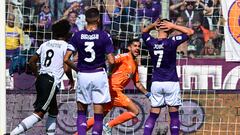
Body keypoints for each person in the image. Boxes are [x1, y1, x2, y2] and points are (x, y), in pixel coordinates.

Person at [10, 19, 74, 135]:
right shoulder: (66, 46)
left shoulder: (45, 44)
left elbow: (31, 62)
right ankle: (12, 134)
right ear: (66, 33)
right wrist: (71, 79)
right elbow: (66, 68)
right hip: (51, 81)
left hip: (42, 79)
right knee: (39, 113)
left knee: (53, 110)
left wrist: (38, 75)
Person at [74, 39, 151, 135]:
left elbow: (138, 83)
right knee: (135, 111)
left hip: (113, 91)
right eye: (135, 46)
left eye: (139, 46)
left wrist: (148, 94)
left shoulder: (134, 64)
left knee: (99, 117)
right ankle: (109, 125)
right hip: (114, 89)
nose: (137, 48)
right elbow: (111, 61)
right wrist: (107, 72)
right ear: (129, 48)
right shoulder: (124, 56)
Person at [63, 7, 115, 135]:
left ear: (85, 19)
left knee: (82, 111)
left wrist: (78, 69)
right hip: (98, 74)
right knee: (98, 113)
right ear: (98, 19)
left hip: (83, 75)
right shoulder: (104, 35)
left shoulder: (77, 35)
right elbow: (112, 61)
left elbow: (66, 59)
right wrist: (109, 73)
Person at [141, 18, 194, 135]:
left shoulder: (151, 42)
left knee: (153, 114)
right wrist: (174, 26)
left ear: (157, 28)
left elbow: (144, 32)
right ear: (169, 29)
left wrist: (153, 25)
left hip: (156, 83)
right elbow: (190, 32)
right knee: (174, 115)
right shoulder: (172, 41)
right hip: (171, 81)